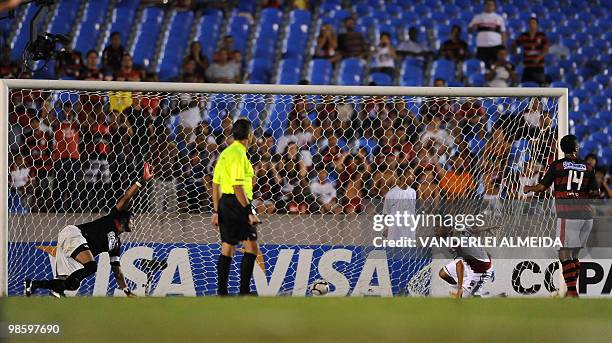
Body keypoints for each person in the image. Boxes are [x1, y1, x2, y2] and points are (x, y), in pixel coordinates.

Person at [24, 162, 154, 297]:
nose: (134, 223)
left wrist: (127, 291)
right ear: (123, 219)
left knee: (72, 283)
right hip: (74, 234)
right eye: (132, 219)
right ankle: (55, 290)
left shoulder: (116, 244)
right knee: (92, 266)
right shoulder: (113, 217)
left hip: (74, 244)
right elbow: (127, 196)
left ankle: (34, 284)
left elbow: (117, 270)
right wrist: (142, 181)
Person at [523, 135, 600, 297]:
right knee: (574, 254)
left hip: (568, 215)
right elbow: (595, 193)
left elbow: (542, 187)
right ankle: (571, 291)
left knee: (564, 253)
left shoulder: (558, 166)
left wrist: (528, 188)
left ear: (562, 149)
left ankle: (572, 292)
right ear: (576, 148)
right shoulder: (588, 167)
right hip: (586, 216)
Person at [211, 118, 260, 296]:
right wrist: (249, 212)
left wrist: (216, 210)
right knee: (252, 248)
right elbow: (237, 186)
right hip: (239, 203)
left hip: (224, 203)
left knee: (228, 248)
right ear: (250, 135)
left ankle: (222, 293)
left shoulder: (225, 153)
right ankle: (244, 291)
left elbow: (215, 184)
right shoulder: (239, 154)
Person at [382, 167, 417, 241]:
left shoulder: (413, 192)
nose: (413, 177)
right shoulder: (391, 194)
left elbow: (412, 211)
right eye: (411, 175)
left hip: (408, 231)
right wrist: (387, 228)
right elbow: (385, 212)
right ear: (403, 176)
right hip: (395, 231)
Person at [469, 0, 507, 67]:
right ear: (484, 6)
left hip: (496, 46)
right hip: (482, 47)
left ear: (494, 7)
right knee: (482, 67)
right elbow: (469, 30)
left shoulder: (499, 18)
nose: (489, 6)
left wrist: (503, 46)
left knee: (496, 66)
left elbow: (503, 33)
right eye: (487, 4)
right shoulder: (477, 17)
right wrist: (472, 28)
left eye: (491, 4)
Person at [512, 17, 548, 85]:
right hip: (527, 65)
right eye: (530, 23)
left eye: (533, 23)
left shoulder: (542, 35)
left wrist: (538, 58)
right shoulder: (524, 36)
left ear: (537, 25)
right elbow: (514, 44)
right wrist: (515, 52)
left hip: (538, 66)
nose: (531, 24)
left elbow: (546, 50)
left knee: (539, 86)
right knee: (525, 85)